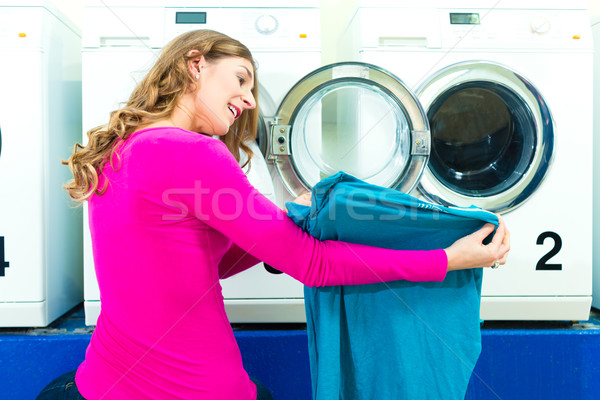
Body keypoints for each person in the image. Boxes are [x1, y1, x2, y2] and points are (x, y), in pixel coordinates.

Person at [36, 29, 510, 400]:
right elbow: (315, 265)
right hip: (197, 391)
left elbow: (200, 265)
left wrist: (282, 227)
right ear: (194, 64)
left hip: (101, 383)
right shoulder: (193, 152)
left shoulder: (120, 149)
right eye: (241, 78)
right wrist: (447, 259)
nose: (248, 100)